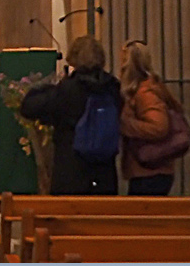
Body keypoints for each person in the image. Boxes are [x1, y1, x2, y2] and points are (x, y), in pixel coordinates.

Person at [19, 35, 121, 195]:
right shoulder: (113, 88)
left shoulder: (69, 90)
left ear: (73, 59)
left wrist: (49, 87)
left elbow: (29, 107)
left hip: (72, 175)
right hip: (104, 176)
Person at [118, 40, 183, 195]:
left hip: (149, 171)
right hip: (151, 170)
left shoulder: (145, 92)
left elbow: (159, 127)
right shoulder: (147, 88)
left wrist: (126, 125)